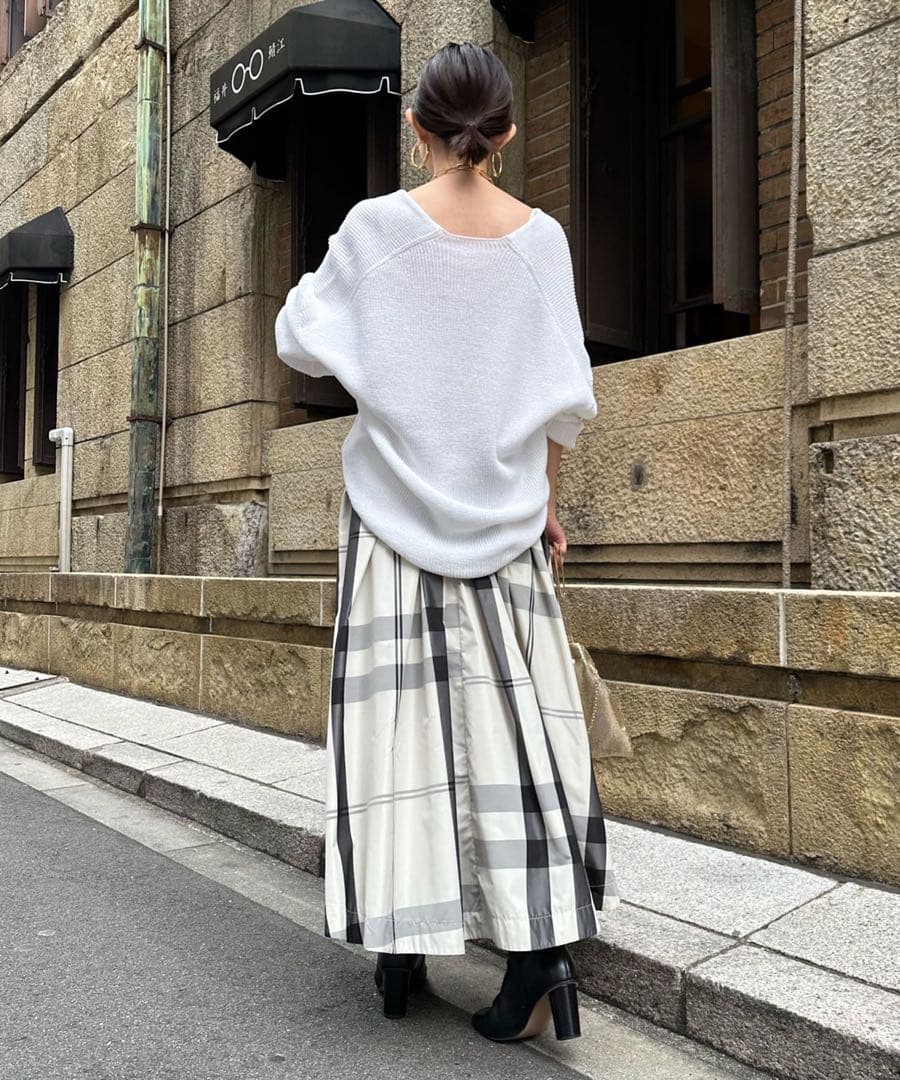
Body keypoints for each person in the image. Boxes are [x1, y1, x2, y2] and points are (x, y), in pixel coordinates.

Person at [274, 40, 620, 1044]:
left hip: (391, 523)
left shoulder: (375, 230)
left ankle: (400, 947)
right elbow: (563, 403)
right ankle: (538, 954)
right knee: (517, 735)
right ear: (504, 132)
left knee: (401, 738)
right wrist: (544, 505)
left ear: (415, 128)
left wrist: (386, 344)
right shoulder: (542, 242)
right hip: (507, 526)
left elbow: (297, 335)